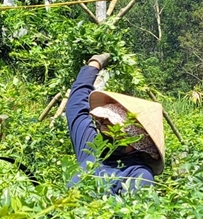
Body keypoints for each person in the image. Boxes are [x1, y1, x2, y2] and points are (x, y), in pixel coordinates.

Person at [65, 52, 167, 193]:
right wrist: (94, 64)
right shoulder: (91, 150)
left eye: (110, 126)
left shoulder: (138, 176)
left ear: (135, 140)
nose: (101, 130)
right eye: (102, 123)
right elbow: (76, 107)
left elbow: (133, 214)